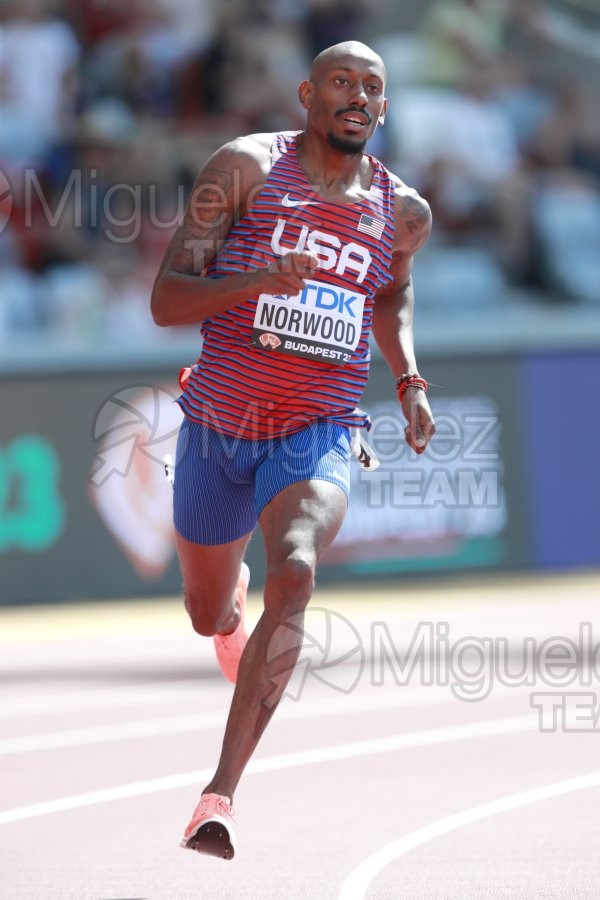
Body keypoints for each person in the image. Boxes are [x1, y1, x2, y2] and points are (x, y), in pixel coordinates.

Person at [151, 40, 436, 860]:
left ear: (383, 109)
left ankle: (219, 796)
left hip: (319, 426)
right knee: (207, 611)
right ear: (309, 95)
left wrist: (408, 377)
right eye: (341, 82)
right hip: (217, 426)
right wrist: (259, 281)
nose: (358, 95)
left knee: (300, 568)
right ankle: (229, 605)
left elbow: (393, 286)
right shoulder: (244, 168)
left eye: (372, 87)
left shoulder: (402, 210)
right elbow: (168, 298)